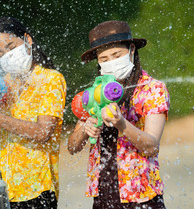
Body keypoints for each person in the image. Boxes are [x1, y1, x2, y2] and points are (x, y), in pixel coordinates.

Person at [0, 17, 67, 209]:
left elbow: (43, 133)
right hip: (3, 185)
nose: (7, 55)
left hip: (36, 186)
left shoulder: (50, 79)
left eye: (11, 47)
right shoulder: (4, 84)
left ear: (27, 40)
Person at [67, 21, 170, 208]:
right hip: (103, 194)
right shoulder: (94, 94)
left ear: (131, 49)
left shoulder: (153, 89)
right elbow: (72, 147)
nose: (111, 62)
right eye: (104, 59)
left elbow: (151, 147)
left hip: (141, 194)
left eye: (116, 55)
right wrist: (85, 128)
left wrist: (121, 123)